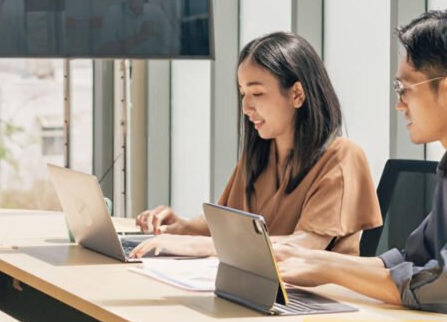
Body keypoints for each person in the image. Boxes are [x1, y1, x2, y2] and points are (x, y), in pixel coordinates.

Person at [276, 11, 447, 322]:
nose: (400, 105)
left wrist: (327, 268)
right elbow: (413, 260)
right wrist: (311, 260)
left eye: (404, 89)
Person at [131, 31, 382, 258]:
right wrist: (177, 228)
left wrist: (207, 246)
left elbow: (306, 245)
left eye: (257, 94)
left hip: (318, 298)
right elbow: (231, 224)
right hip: (256, 289)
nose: (246, 108)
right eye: (243, 94)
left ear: (297, 94)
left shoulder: (343, 157)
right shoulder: (262, 154)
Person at [96, 0, 175, 56]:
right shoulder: (112, 14)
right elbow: (104, 52)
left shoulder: (157, 13)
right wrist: (141, 36)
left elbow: (175, 45)